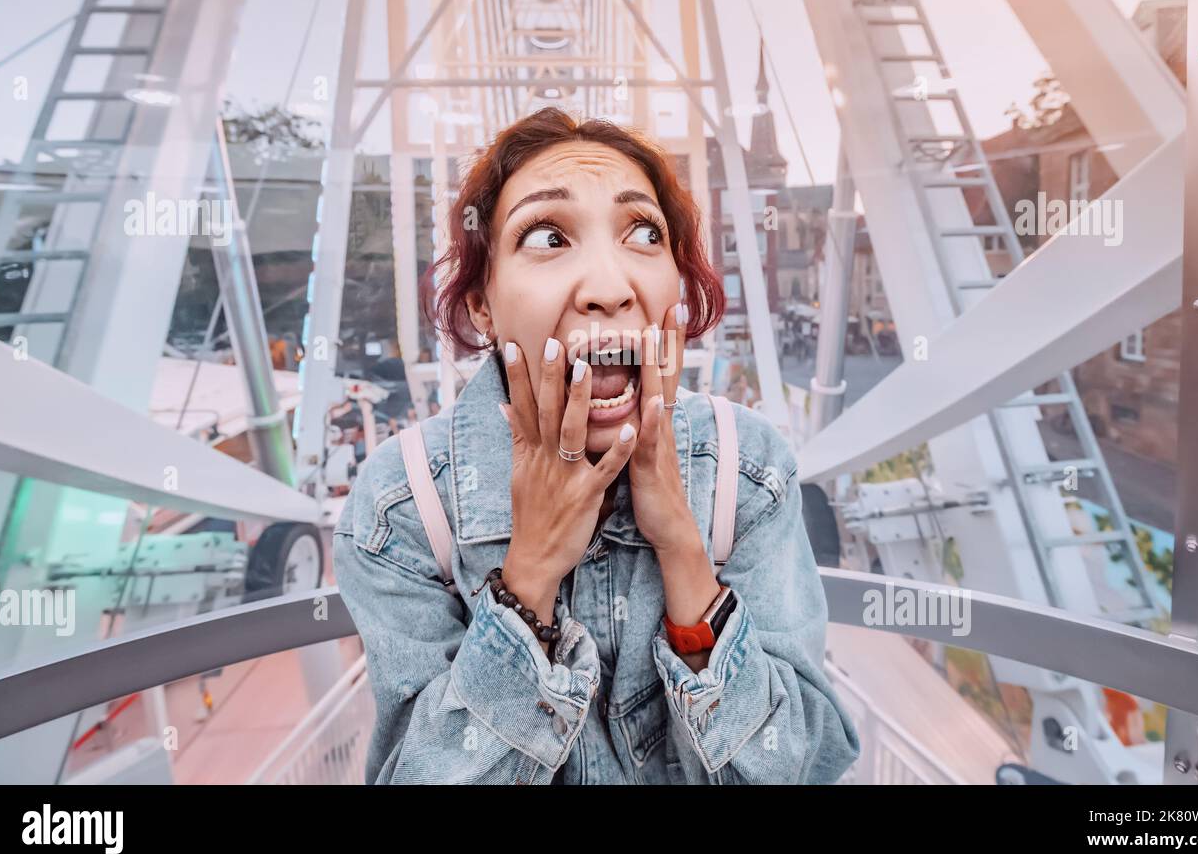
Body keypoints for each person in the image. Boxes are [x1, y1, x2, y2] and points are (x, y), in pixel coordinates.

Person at [333, 106, 859, 784]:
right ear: (482, 306)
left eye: (643, 232)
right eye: (548, 237)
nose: (610, 290)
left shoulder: (746, 472)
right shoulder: (402, 507)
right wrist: (528, 580)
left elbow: (807, 762)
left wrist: (684, 550)